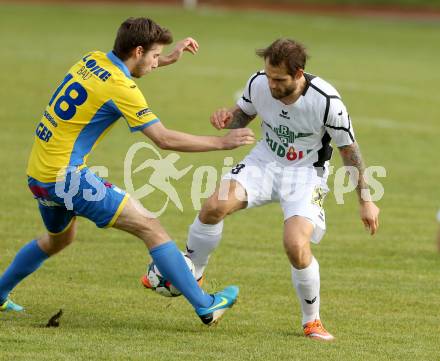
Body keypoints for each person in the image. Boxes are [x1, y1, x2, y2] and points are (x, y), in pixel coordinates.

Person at [0, 17, 256, 326]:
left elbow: (122, 73)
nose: (156, 61)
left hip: (38, 175)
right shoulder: (122, 89)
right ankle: (206, 305)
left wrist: (167, 59)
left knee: (57, 240)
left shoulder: (91, 59)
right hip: (67, 177)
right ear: (137, 50)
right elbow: (163, 138)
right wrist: (220, 142)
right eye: (155, 55)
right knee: (151, 227)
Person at [181, 39, 380, 339]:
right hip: (264, 162)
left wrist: (366, 200)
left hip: (306, 175)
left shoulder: (327, 101)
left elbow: (349, 152)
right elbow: (244, 114)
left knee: (295, 245)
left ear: (298, 73)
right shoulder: (259, 83)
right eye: (268, 76)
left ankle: (311, 320)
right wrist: (226, 119)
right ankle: (193, 273)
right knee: (213, 207)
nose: (271, 84)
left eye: (279, 79)